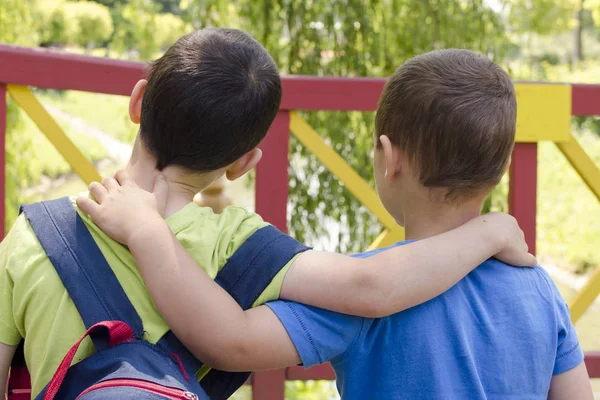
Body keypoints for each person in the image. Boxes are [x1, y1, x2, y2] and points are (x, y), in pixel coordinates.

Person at [0, 27, 533, 396]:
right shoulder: (243, 242)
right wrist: (490, 230)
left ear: (139, 101)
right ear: (243, 163)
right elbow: (372, 286)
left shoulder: (30, 236)